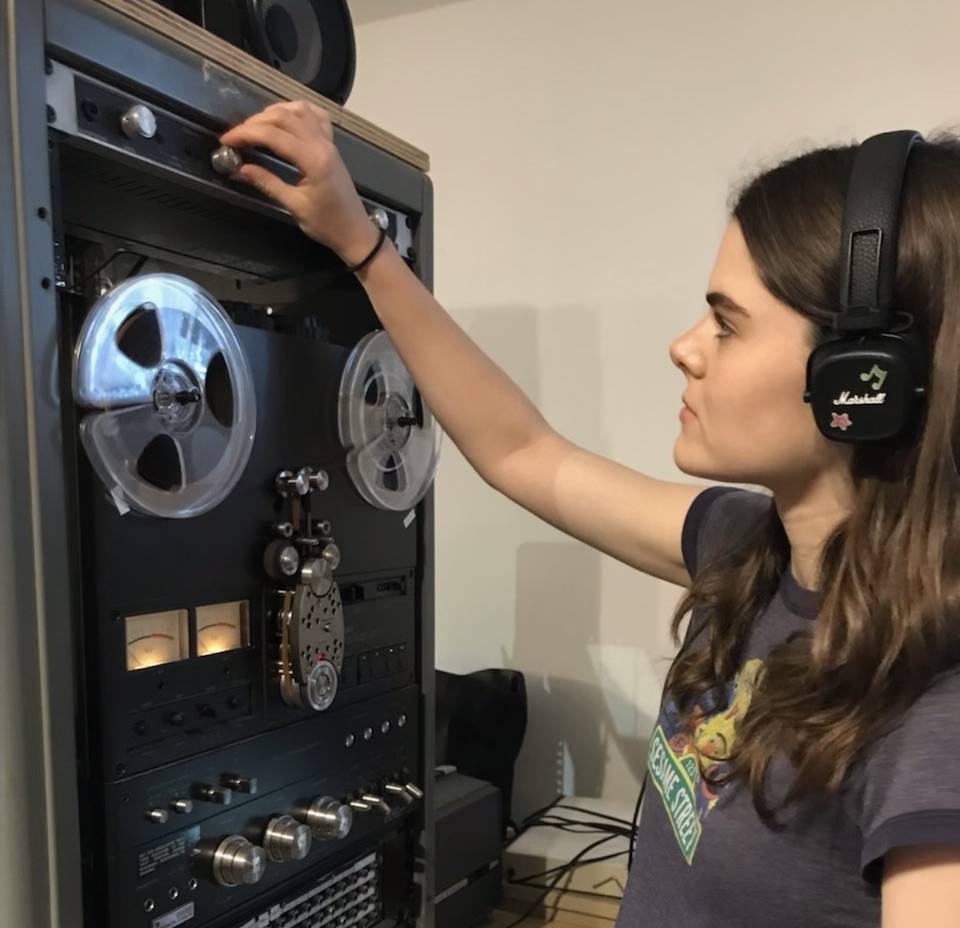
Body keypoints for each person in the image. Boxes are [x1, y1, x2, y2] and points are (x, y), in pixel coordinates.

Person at [219, 104, 960, 925]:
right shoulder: (748, 550)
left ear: (867, 379)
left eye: (727, 323)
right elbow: (524, 453)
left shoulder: (934, 712)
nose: (686, 346)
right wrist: (363, 246)